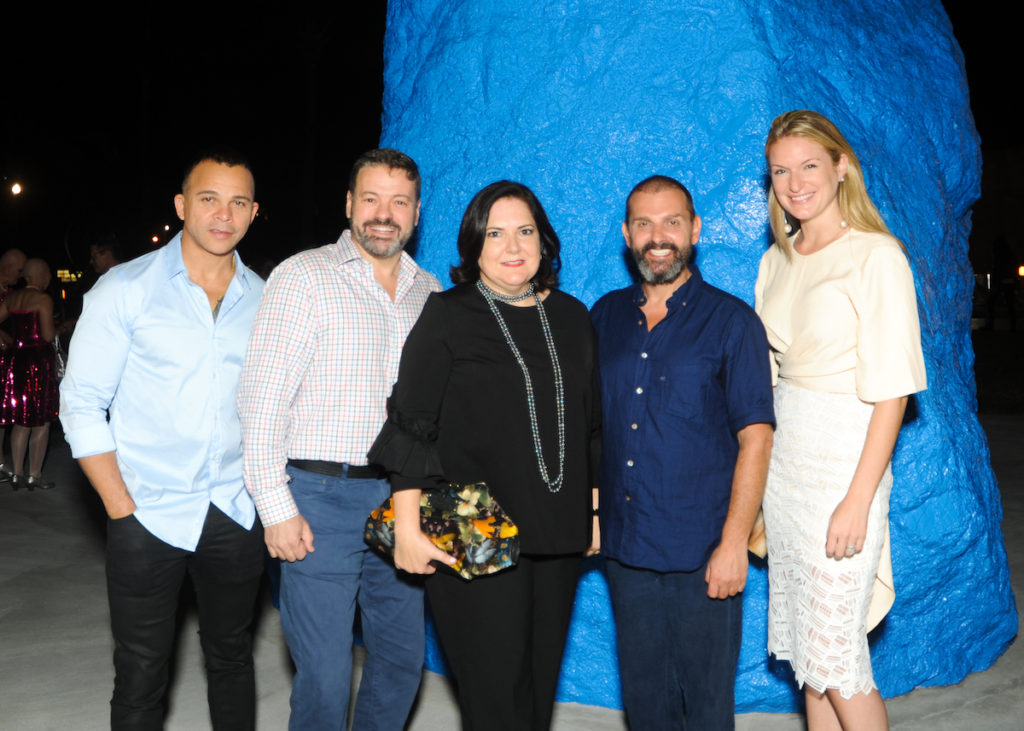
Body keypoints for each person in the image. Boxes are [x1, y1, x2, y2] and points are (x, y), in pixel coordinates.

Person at [368, 180, 600, 731]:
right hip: (475, 533)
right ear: (474, 246)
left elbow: (592, 426)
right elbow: (411, 426)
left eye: (524, 231)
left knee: (536, 698)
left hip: (559, 536)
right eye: (495, 233)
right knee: (495, 703)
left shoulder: (572, 316)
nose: (512, 246)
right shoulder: (448, 314)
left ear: (543, 242)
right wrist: (406, 530)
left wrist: (593, 513)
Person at [60, 150, 265, 730]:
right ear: (181, 206)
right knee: (142, 672)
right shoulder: (124, 289)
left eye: (238, 202)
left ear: (252, 213)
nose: (223, 214)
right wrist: (120, 507)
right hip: (146, 510)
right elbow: (80, 403)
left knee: (231, 658)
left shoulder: (268, 296)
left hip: (235, 507)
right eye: (209, 198)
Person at [237, 148, 440, 730]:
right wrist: (275, 508)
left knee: (401, 663)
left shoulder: (429, 294)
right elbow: (261, 399)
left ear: (417, 212)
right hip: (319, 501)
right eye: (371, 199)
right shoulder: (304, 276)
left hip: (404, 502)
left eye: (399, 202)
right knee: (325, 677)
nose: (384, 213)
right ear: (349, 204)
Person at [754, 110, 927, 731]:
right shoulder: (777, 260)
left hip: (845, 464)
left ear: (841, 167)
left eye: (808, 165)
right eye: (780, 170)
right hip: (787, 469)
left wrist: (858, 499)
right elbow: (769, 378)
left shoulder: (877, 257)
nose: (794, 182)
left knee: (839, 658)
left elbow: (893, 395)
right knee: (810, 660)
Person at [590, 175, 774, 730]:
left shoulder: (733, 322)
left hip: (704, 549)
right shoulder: (603, 317)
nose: (658, 236)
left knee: (706, 706)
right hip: (625, 548)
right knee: (646, 705)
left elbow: (757, 438)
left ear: (694, 229)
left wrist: (733, 544)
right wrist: (594, 511)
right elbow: (589, 428)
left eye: (672, 222)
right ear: (627, 235)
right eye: (643, 224)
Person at [0, 258, 58, 489]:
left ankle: (16, 473)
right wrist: (57, 328)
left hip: (16, 360)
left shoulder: (13, 298)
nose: (50, 278)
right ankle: (34, 474)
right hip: (38, 361)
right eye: (49, 274)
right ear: (41, 276)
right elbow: (46, 335)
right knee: (41, 421)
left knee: (20, 421)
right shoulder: (43, 299)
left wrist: (7, 339)